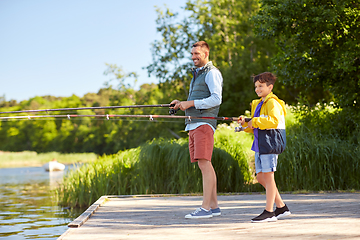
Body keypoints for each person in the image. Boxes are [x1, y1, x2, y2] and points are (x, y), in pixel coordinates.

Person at [170, 41, 223, 219]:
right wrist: (180, 103)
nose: (193, 57)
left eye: (197, 54)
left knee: (204, 163)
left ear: (206, 54)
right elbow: (195, 99)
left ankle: (205, 208)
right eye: (192, 54)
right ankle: (214, 207)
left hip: (204, 124)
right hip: (193, 124)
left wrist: (191, 103)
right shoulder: (197, 75)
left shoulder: (212, 73)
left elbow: (216, 99)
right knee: (204, 164)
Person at [238, 72, 291, 223]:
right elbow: (255, 124)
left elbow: (272, 121)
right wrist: (245, 123)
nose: (257, 89)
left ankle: (269, 212)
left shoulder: (273, 102)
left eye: (261, 86)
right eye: (256, 86)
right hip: (260, 144)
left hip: (271, 142)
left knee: (268, 176)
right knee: (261, 177)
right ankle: (281, 207)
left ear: (270, 87)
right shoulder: (258, 103)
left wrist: (254, 121)